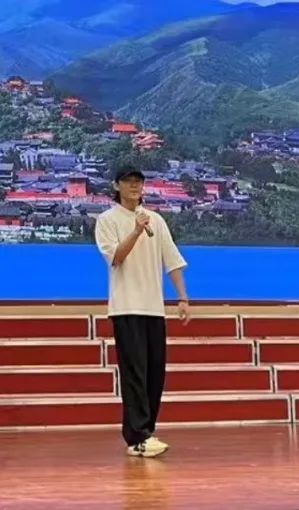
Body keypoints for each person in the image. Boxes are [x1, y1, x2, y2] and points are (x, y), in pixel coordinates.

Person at [95, 165, 191, 458]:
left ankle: (146, 431)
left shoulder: (156, 220)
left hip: (153, 308)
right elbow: (116, 257)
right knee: (134, 373)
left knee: (154, 374)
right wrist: (136, 230)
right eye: (128, 181)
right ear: (117, 186)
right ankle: (137, 436)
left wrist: (182, 298)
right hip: (127, 307)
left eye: (138, 181)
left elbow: (172, 260)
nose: (134, 186)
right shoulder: (107, 220)